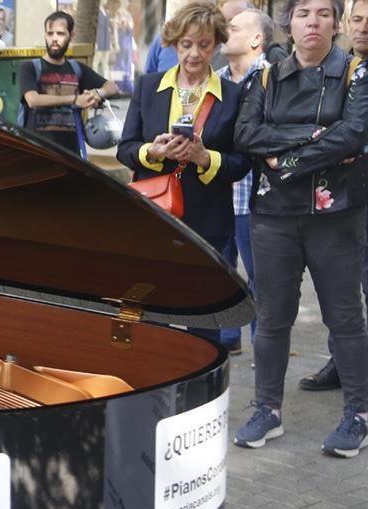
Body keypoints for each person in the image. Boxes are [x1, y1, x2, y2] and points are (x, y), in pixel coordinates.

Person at [233, 0, 368, 457]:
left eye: (322, 13)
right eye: (302, 13)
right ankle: (267, 410)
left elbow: (354, 133)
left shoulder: (358, 72)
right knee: (273, 318)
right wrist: (315, 135)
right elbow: (246, 135)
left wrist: (289, 159)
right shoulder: (264, 76)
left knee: (344, 318)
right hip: (273, 214)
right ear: (287, 24)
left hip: (335, 216)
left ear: (336, 23)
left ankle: (356, 416)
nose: (312, 21)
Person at [299, 0, 368, 399]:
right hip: (336, 190)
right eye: (357, 20)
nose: (363, 29)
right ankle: (343, 361)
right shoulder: (340, 67)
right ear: (347, 22)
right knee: (336, 282)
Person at [117, 1, 251, 332]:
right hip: (155, 215)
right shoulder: (149, 86)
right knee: (152, 307)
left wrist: (206, 158)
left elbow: (242, 162)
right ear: (174, 43)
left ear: (217, 44)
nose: (193, 54)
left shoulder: (234, 95)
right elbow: (126, 149)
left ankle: (202, 381)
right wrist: (154, 151)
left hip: (208, 218)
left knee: (204, 314)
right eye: (186, 44)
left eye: (204, 45)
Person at [216, 8, 275, 353]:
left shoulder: (275, 79)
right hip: (217, 191)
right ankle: (226, 339)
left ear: (256, 39)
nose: (225, 32)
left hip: (257, 197)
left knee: (260, 276)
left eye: (233, 28)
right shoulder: (217, 77)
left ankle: (263, 344)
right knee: (220, 273)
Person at [19, 11, 119, 157]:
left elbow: (112, 87)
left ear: (71, 35)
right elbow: (32, 100)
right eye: (50, 33)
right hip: (37, 153)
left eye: (60, 34)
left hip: (71, 154)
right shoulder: (29, 67)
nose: (54, 39)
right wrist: (74, 99)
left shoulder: (77, 69)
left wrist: (96, 94)